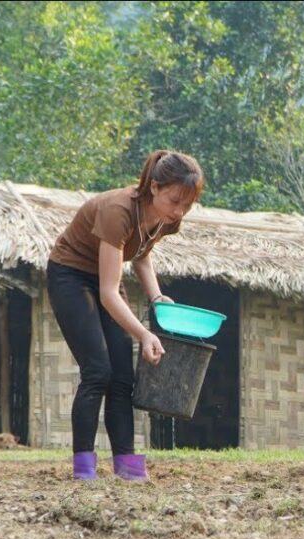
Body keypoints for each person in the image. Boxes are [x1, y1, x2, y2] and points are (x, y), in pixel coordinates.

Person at [47, 150, 204, 481]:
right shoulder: (118, 210)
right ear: (155, 188)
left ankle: (127, 465)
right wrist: (144, 334)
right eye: (175, 201)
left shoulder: (168, 218)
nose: (179, 211)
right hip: (72, 275)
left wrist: (157, 296)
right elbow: (107, 293)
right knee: (98, 371)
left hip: (107, 279)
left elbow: (142, 252)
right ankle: (84, 468)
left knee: (122, 377)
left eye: (187, 205)